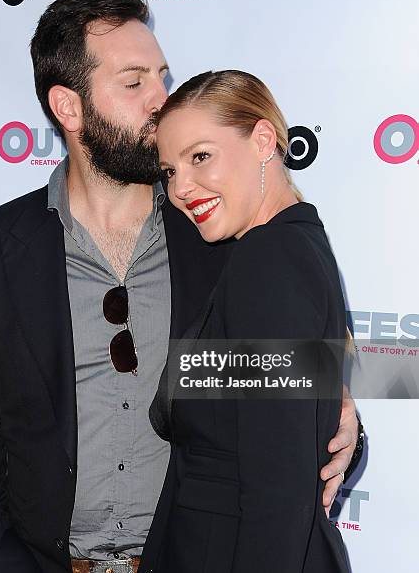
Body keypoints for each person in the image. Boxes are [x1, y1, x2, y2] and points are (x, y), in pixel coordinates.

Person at [0, 0, 361, 573]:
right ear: (69, 106)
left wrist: (339, 417)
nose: (161, 101)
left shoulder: (225, 237)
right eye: (134, 83)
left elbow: (281, 397)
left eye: (162, 76)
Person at [140, 70, 352, 572]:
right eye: (169, 170)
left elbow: (278, 489)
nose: (181, 187)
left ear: (262, 140)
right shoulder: (294, 244)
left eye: (200, 156)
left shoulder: (268, 259)